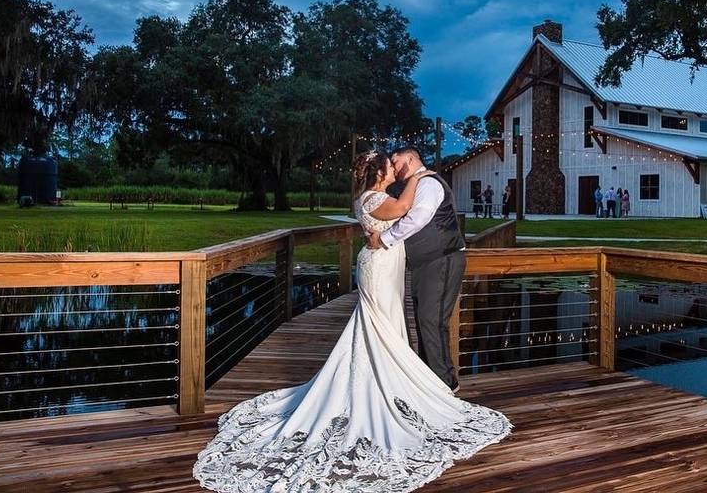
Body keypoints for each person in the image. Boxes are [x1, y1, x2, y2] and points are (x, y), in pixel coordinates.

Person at [194, 151, 511, 493]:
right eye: (390, 166)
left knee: (392, 324)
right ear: (379, 173)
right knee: (381, 325)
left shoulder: (393, 191)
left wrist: (413, 187)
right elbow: (404, 211)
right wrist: (417, 180)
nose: (395, 168)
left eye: (397, 163)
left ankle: (402, 382)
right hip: (379, 267)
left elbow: (409, 216)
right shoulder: (375, 197)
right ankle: (389, 385)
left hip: (390, 265)